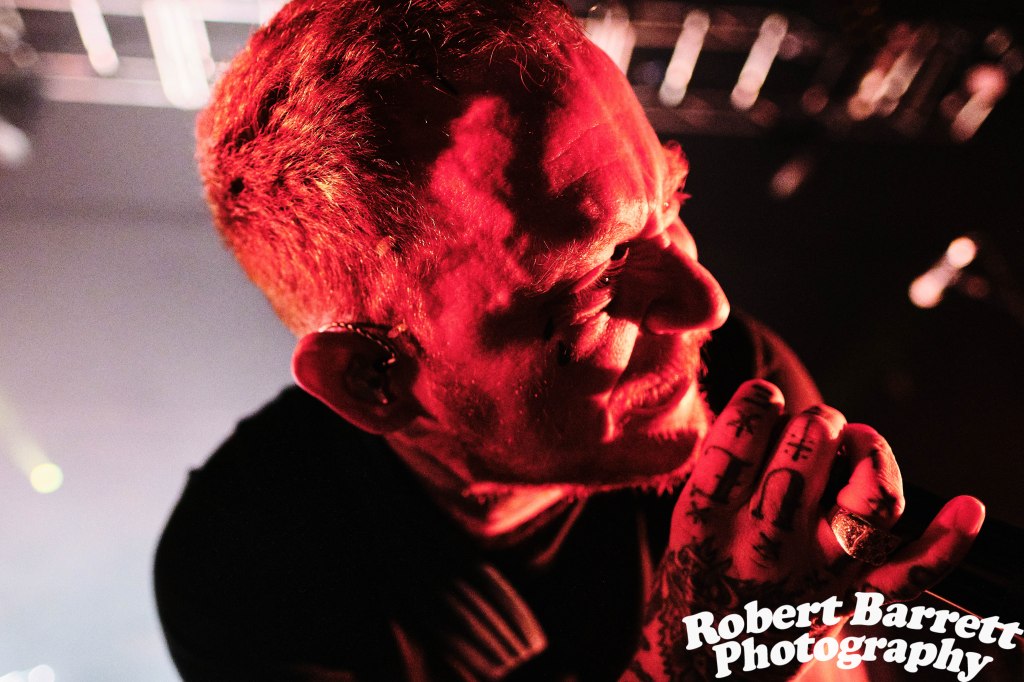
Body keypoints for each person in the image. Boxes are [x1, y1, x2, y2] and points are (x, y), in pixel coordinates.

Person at [154, 1, 995, 679]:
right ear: (371, 378)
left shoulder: (738, 379)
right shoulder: (243, 567)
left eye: (672, 206)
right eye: (598, 281)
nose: (705, 306)